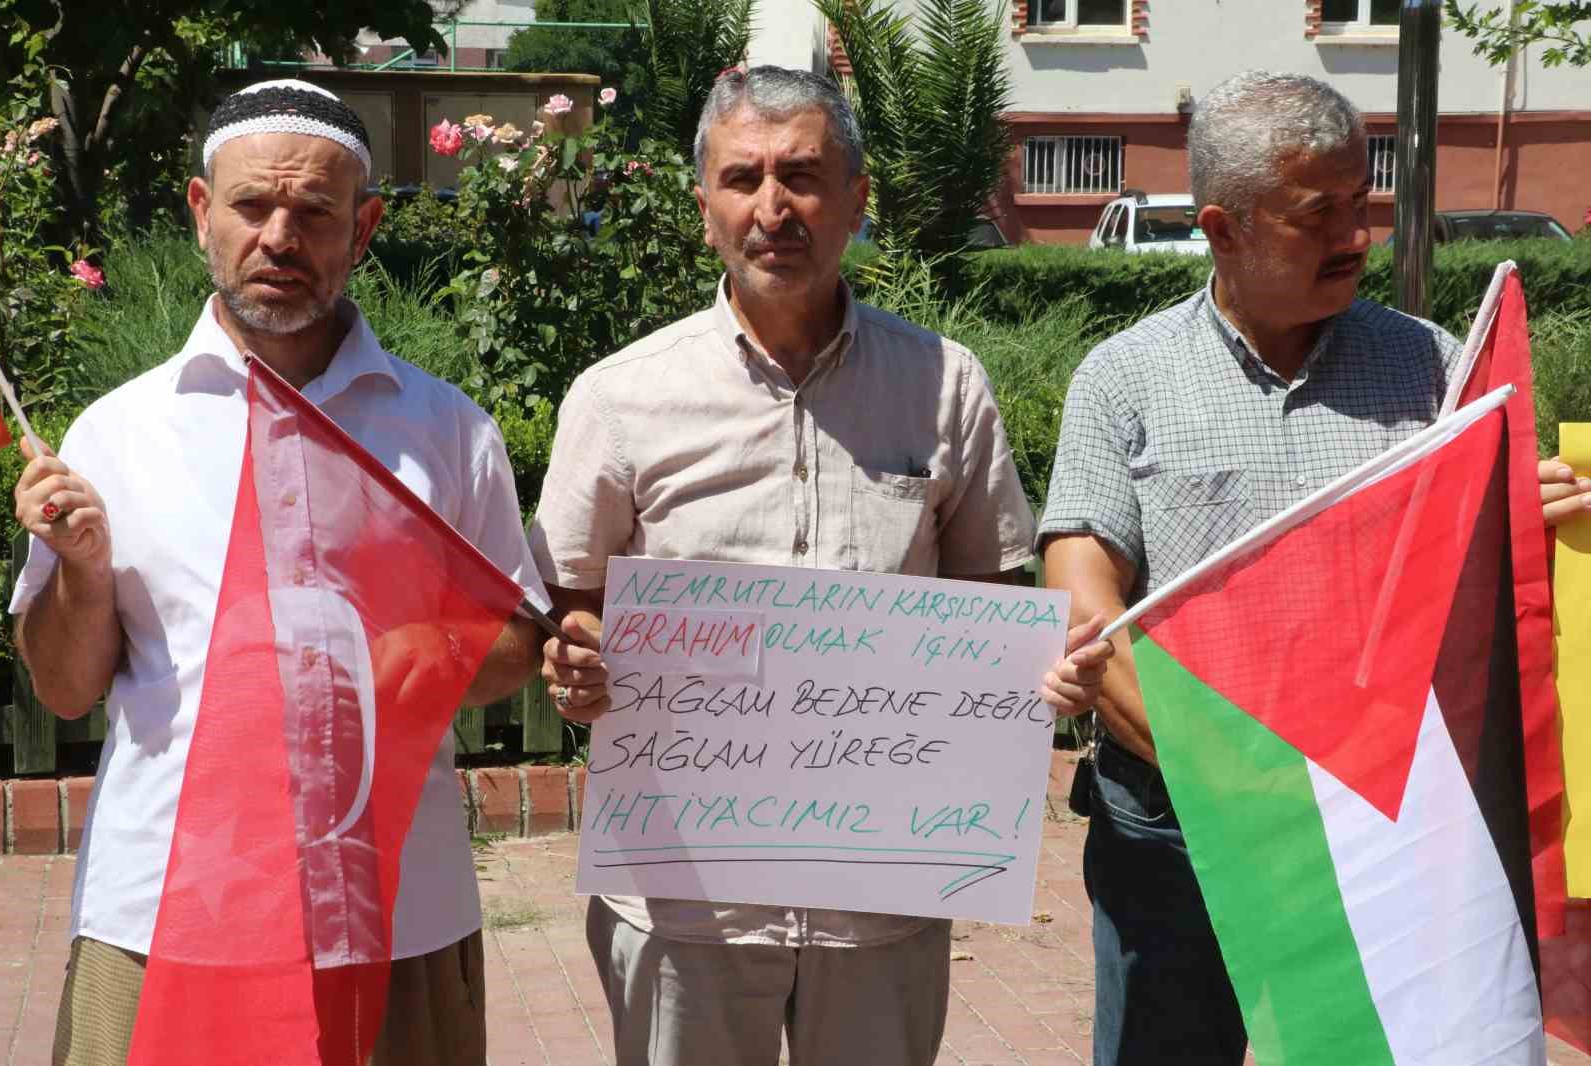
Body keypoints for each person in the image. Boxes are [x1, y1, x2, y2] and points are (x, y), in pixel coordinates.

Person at [525, 65, 1112, 1066]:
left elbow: (990, 610)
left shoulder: (942, 385)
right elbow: (571, 608)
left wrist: (1040, 676)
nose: (772, 208)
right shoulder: (618, 398)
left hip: (881, 897)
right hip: (684, 902)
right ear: (702, 201)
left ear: (855, 196)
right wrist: (575, 664)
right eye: (742, 178)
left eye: (801, 175)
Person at [1040, 69, 1591, 1066]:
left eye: (1362, 201)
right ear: (1223, 226)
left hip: (1382, 837)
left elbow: (1475, 603)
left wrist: (1527, 520)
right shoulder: (1124, 376)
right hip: (1176, 834)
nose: (1358, 236)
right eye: (1318, 213)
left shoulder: (1430, 371)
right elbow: (1082, 599)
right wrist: (1240, 784)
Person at [9, 80, 545, 1066]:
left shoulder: (447, 432)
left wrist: (434, 650)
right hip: (163, 913)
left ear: (365, 225)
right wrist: (82, 576)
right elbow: (65, 685)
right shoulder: (116, 434)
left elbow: (517, 636)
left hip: (397, 912)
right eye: (253, 205)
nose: (280, 235)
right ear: (200, 212)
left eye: (314, 211)